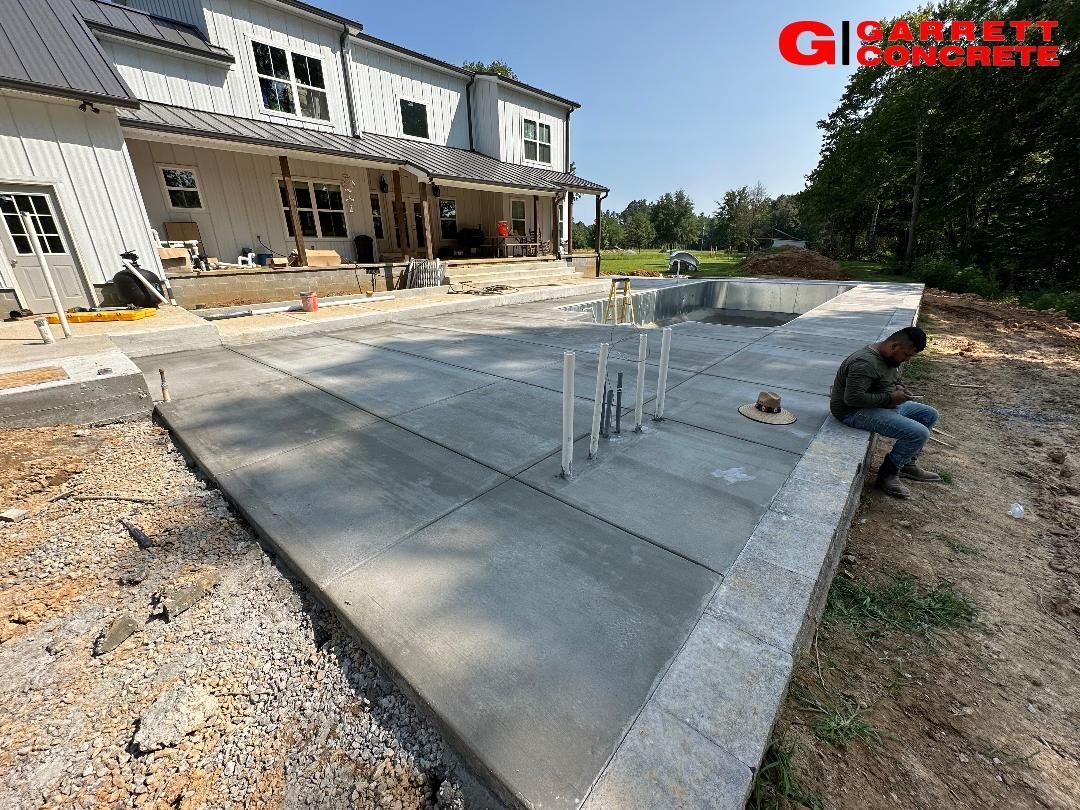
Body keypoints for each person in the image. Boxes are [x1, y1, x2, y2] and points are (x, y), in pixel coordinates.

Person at [830, 326, 941, 498]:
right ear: (894, 346)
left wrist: (900, 389)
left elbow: (893, 379)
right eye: (906, 355)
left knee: (929, 414)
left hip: (881, 405)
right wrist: (889, 399)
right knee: (919, 433)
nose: (907, 360)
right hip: (853, 412)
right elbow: (851, 399)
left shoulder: (889, 357)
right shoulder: (865, 363)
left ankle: (907, 464)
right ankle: (888, 474)